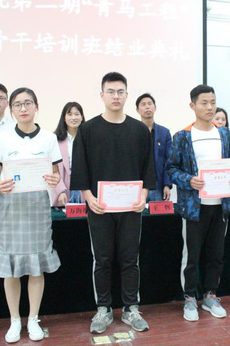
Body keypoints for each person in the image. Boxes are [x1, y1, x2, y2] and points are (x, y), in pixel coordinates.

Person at [71, 72, 155, 334]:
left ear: (127, 95)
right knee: (103, 259)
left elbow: (148, 168)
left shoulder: (139, 130)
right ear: (102, 95)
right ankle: (103, 309)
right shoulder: (88, 129)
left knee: (130, 259)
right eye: (110, 91)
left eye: (120, 92)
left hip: (131, 208)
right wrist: (89, 198)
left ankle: (131, 308)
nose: (115, 96)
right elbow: (80, 169)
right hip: (100, 207)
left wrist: (143, 197)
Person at [0, 87, 62, 343]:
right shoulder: (3, 139)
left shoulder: (49, 138)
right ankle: (15, 320)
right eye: (17, 104)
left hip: (37, 208)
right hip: (11, 208)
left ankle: (33, 319)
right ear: (11, 110)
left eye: (28, 103)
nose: (23, 108)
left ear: (36, 107)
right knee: (11, 268)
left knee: (36, 267)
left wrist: (55, 179)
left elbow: (56, 173)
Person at [166, 85, 230, 322]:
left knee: (216, 254)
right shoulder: (183, 136)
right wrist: (189, 180)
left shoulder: (225, 134)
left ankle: (210, 295)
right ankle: (189, 298)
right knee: (191, 256)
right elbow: (171, 169)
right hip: (194, 207)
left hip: (221, 205)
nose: (210, 107)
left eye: (213, 102)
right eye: (204, 103)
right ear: (193, 106)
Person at [135, 93, 173, 201]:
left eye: (150, 104)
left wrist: (167, 184)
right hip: (138, 185)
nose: (147, 107)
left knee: (157, 212)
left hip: (158, 185)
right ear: (137, 110)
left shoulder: (164, 132)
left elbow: (168, 160)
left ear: (155, 108)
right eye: (143, 104)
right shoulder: (132, 131)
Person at [51, 101, 85, 206]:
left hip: (84, 189)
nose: (73, 118)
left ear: (82, 117)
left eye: (77, 114)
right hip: (62, 188)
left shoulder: (89, 139)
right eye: (70, 114)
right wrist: (60, 190)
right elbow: (52, 169)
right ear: (64, 118)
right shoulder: (54, 140)